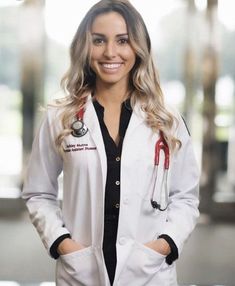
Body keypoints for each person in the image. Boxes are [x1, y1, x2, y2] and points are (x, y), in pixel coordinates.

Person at [22, 0, 200, 285]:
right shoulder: (61, 117)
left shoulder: (167, 120)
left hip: (149, 271)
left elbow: (185, 198)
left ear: (138, 47)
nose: (110, 52)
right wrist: (62, 243)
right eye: (98, 40)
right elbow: (38, 193)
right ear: (85, 46)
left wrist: (165, 244)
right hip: (82, 271)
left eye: (123, 41)